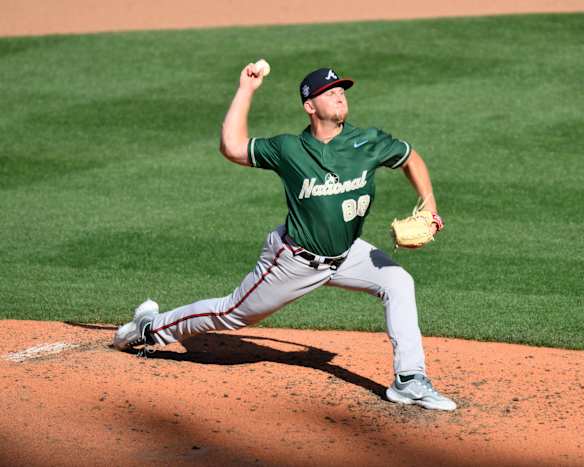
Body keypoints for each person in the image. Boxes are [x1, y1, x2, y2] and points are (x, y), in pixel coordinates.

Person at [113, 64, 456, 411]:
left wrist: (430, 208)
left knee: (398, 282)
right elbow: (231, 147)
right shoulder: (289, 149)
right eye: (329, 91)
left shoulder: (367, 142)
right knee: (232, 312)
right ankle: (149, 328)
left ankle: (409, 380)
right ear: (310, 106)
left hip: (348, 253)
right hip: (294, 261)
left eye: (342, 90)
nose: (339, 94)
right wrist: (246, 89)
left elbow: (410, 157)